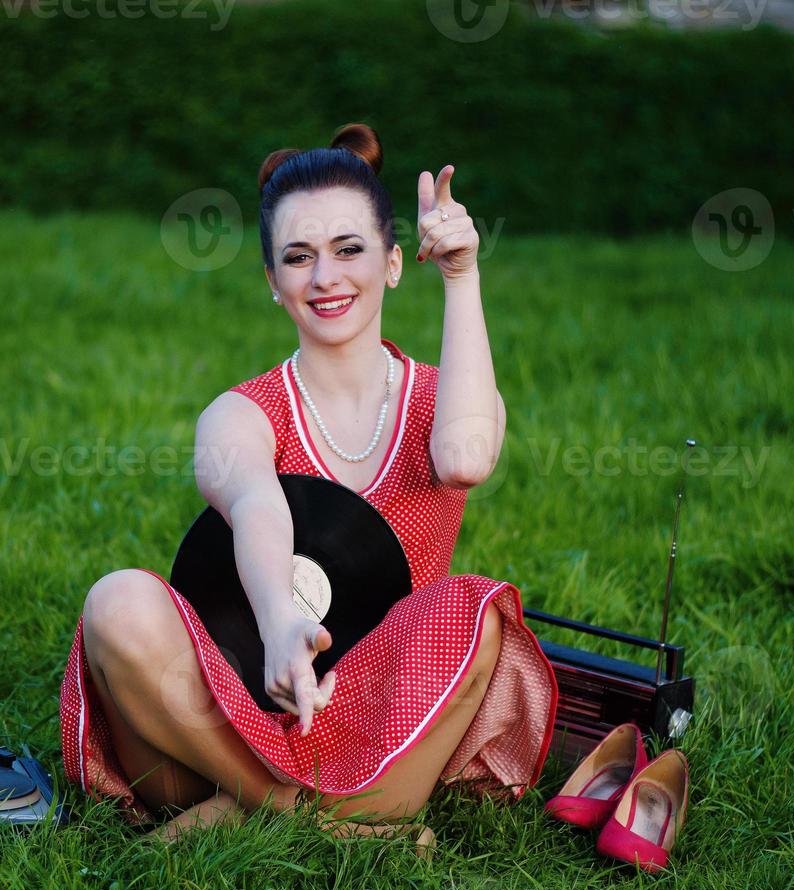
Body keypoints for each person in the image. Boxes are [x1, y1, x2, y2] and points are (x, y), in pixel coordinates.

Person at [58, 122, 557, 849]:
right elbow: (256, 500)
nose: (325, 279)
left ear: (392, 263)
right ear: (272, 281)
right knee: (117, 602)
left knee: (470, 607)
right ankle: (325, 824)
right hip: (214, 723)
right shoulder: (239, 413)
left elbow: (465, 462)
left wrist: (461, 276)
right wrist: (279, 625)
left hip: (381, 727)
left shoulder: (444, 397)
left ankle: (249, 812)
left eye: (349, 250)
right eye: (298, 257)